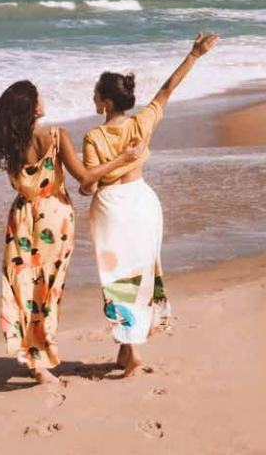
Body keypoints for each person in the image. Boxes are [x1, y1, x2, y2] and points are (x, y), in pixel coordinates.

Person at [0, 57, 144, 384]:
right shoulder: (56, 137)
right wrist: (124, 158)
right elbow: (84, 177)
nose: (43, 99)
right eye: (38, 96)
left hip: (21, 220)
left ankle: (34, 360)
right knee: (47, 291)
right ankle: (39, 359)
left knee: (22, 288)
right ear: (33, 108)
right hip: (55, 220)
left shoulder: (4, 138)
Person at [80, 32, 220, 376]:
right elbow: (167, 89)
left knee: (117, 279)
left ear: (106, 102)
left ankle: (132, 349)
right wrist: (195, 54)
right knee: (141, 275)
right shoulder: (141, 123)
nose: (93, 97)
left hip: (112, 208)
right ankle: (126, 348)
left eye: (96, 94)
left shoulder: (94, 137)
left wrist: (98, 177)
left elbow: (90, 183)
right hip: (143, 201)